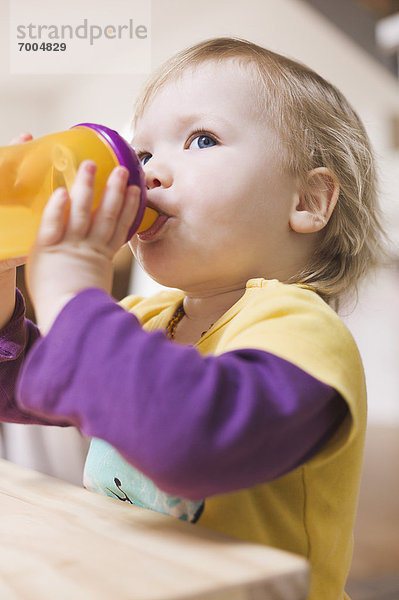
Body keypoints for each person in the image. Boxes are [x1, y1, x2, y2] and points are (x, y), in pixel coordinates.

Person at [0, 38, 385, 599]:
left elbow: (190, 443)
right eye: (144, 154)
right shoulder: (145, 319)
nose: (147, 175)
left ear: (308, 200)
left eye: (201, 139)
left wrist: (74, 295)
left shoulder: (301, 331)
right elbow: (20, 387)